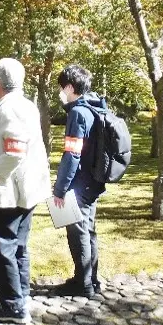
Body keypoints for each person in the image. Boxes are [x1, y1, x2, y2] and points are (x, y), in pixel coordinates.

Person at [0, 58, 51, 324]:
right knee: (18, 245)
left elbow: (14, 151)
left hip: (10, 191)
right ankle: (19, 294)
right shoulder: (26, 105)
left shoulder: (9, 109)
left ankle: (13, 306)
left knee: (1, 248)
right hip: (28, 189)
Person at [53, 65, 105, 297]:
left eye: (61, 88)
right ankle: (92, 280)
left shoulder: (77, 113)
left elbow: (72, 154)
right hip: (92, 180)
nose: (60, 92)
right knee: (89, 230)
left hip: (79, 182)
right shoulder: (94, 107)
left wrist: (60, 188)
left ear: (70, 87)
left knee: (79, 232)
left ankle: (82, 284)